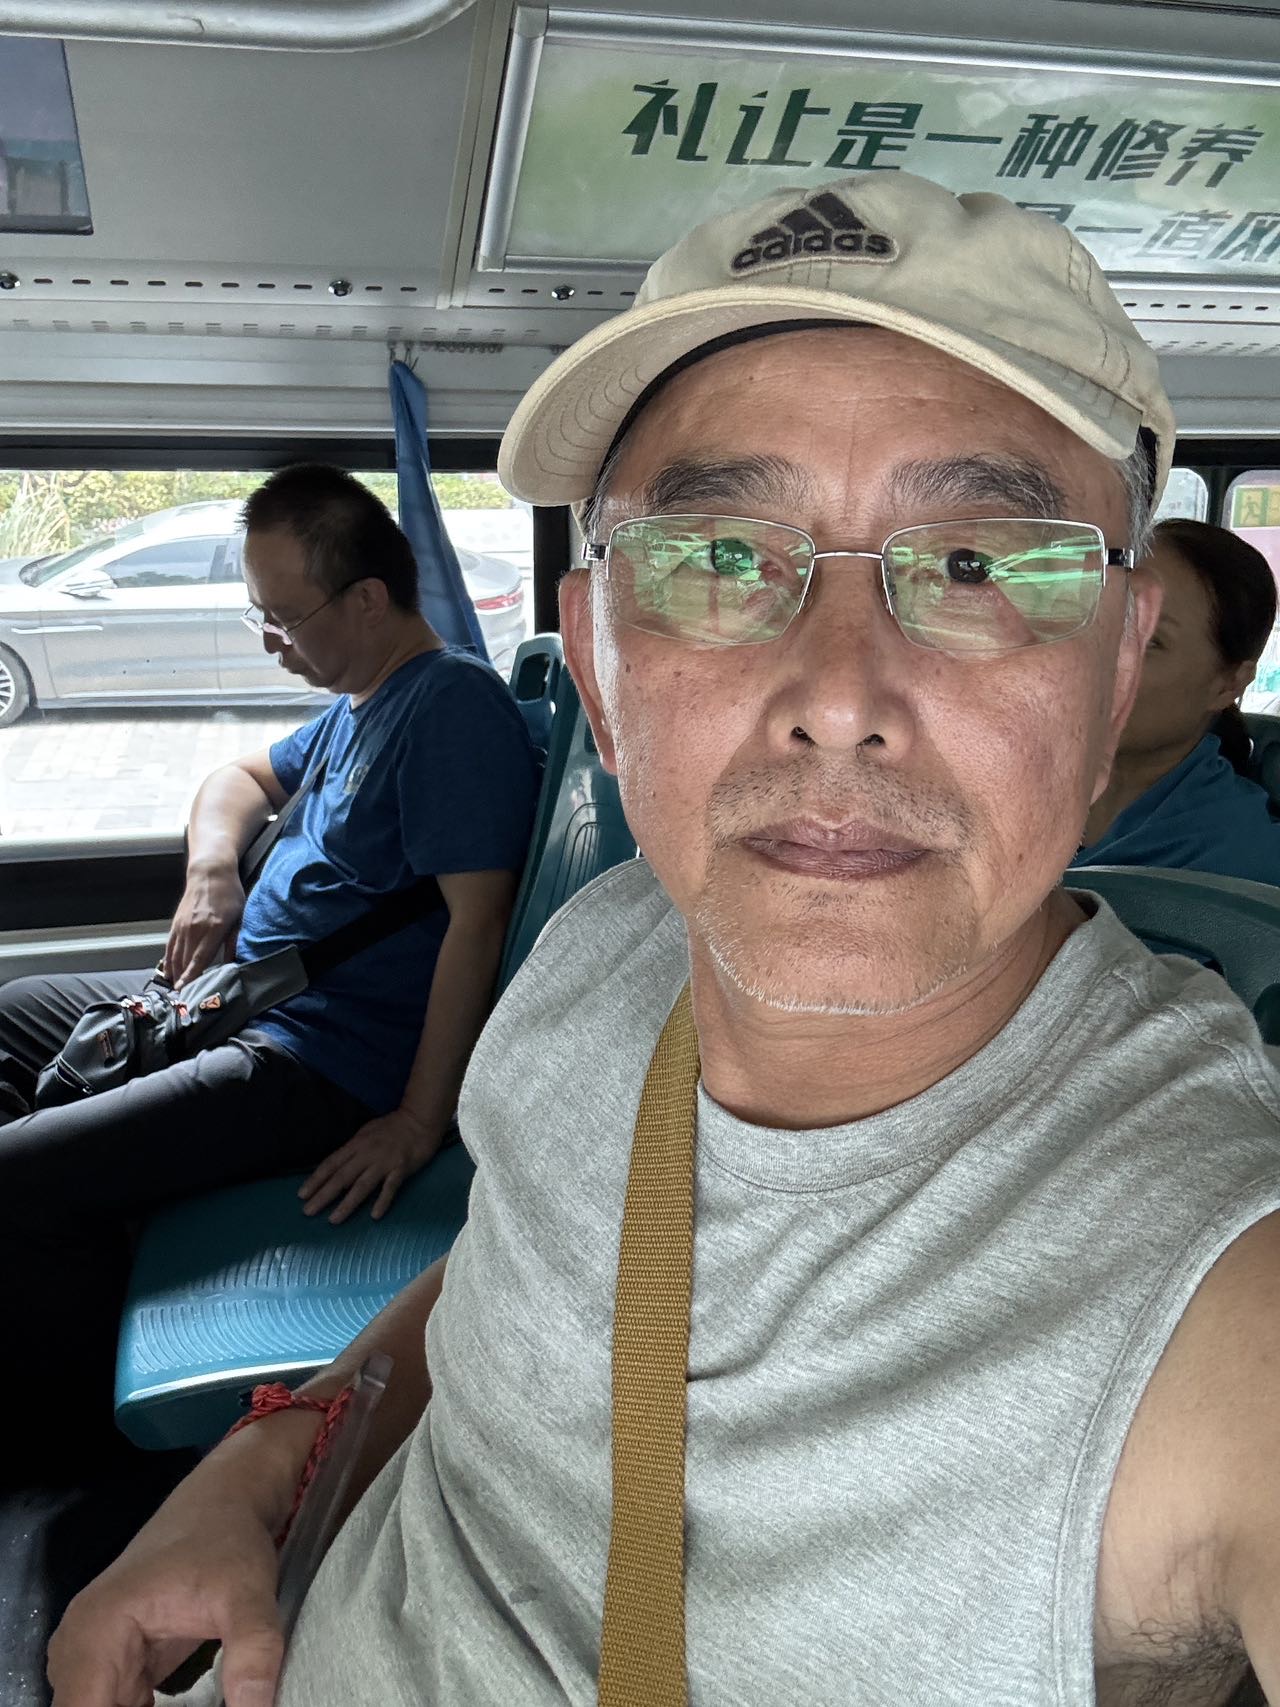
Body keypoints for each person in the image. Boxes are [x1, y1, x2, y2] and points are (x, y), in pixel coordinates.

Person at [49, 177, 1280, 1707]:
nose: (839, 694)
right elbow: (512, 1270)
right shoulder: (610, 940)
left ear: (1121, 671)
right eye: (718, 558)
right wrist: (268, 1459)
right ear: (599, 665)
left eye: (977, 563)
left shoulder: (1222, 1292)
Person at [0, 463, 538, 1470]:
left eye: (285, 619)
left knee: (18, 1183)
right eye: (263, 615)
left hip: (315, 1063)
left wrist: (417, 1119)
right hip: (242, 1002)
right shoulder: (358, 704)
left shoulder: (448, 708)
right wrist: (212, 874)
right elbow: (238, 775)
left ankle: (73, 1460)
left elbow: (479, 922)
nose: (270, 641)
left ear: (367, 600)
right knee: (19, 1009)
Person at [1073, 516, 1280, 882]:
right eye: (1100, 616)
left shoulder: (1242, 868)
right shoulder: (1024, 785)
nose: (1095, 653)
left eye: (1151, 640)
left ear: (1227, 684)